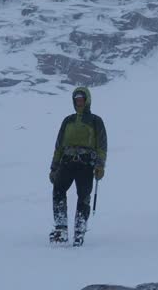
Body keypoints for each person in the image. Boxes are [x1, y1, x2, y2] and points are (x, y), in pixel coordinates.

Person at [49, 86, 107, 246]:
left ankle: (79, 231)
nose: (79, 102)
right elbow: (59, 146)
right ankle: (61, 229)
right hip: (66, 162)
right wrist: (54, 167)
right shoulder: (68, 120)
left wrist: (100, 166)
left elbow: (102, 146)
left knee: (83, 197)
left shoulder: (96, 121)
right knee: (58, 190)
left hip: (86, 164)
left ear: (87, 100)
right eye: (77, 100)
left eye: (81, 99)